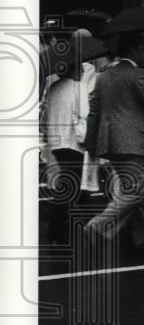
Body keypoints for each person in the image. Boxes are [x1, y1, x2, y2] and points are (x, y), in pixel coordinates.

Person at [83, 31, 144, 253]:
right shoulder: (135, 74)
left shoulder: (104, 75)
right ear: (134, 49)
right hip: (132, 140)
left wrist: (92, 144)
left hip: (110, 141)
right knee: (135, 190)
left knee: (133, 189)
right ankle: (99, 225)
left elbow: (94, 110)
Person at [42, 55, 98, 243]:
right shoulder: (78, 87)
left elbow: (45, 116)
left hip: (55, 142)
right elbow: (84, 114)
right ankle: (58, 228)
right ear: (74, 69)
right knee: (71, 187)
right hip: (73, 142)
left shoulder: (53, 88)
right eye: (81, 68)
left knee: (66, 185)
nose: (83, 72)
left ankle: (61, 227)